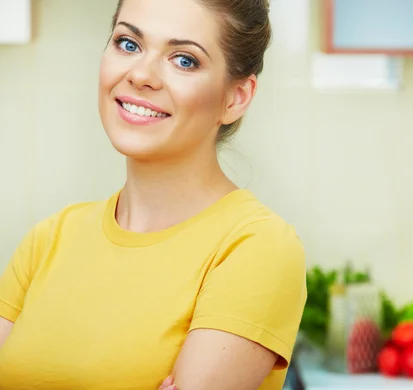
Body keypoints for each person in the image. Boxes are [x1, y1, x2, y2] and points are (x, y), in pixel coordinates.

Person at [0, 0, 307, 389]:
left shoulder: (255, 246)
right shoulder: (49, 239)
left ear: (236, 98)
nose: (141, 74)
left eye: (184, 60)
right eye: (128, 43)